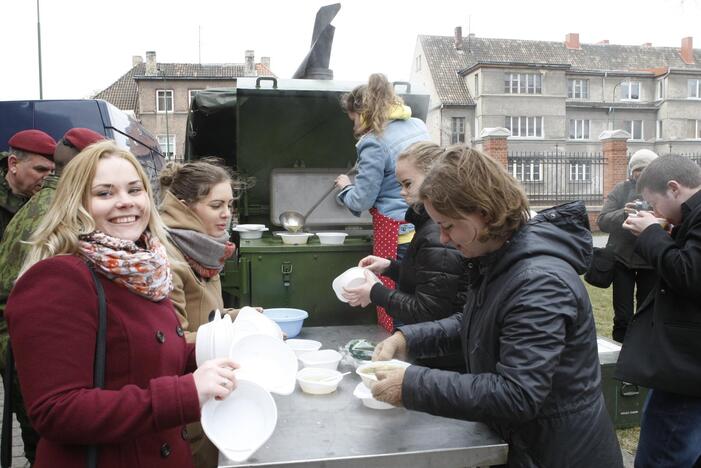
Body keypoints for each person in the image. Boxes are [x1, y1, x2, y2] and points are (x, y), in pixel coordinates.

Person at [369, 145, 622, 467]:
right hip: (527, 444)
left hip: (557, 454)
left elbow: (517, 393)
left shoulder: (539, 282)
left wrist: (413, 385)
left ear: (483, 213)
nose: (444, 239)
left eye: (448, 225)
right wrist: (410, 338)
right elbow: (477, 320)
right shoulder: (498, 259)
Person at [5, 141, 238, 467]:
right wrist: (186, 392)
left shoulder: (143, 267)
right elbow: (57, 410)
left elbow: (150, 354)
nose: (125, 202)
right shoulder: (57, 278)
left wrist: (225, 348)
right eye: (104, 193)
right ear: (77, 203)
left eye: (134, 189)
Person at [0, 127, 104, 465]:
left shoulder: (44, 204)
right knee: (48, 446)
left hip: (23, 352)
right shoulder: (58, 214)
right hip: (33, 356)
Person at [341, 142, 468, 369]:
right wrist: (389, 267)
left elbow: (427, 312)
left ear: (435, 178)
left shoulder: (437, 235)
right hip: (434, 350)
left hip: (442, 361)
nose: (401, 191)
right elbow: (429, 279)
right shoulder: (426, 225)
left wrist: (375, 293)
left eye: (407, 184)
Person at [159, 159, 252, 467]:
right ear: (185, 207)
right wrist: (236, 334)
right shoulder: (170, 260)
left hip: (209, 387)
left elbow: (210, 314)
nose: (227, 214)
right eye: (216, 205)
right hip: (188, 397)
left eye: (229, 204)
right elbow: (170, 342)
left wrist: (243, 316)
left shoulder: (202, 248)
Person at [618, 154, 701, 467]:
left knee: (664, 452)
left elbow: (690, 275)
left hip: (688, 367)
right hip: (686, 363)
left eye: (654, 203)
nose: (653, 211)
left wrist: (652, 232)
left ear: (674, 188)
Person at [334, 73, 430, 331]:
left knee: (396, 300)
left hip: (396, 230)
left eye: (353, 119)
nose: (353, 126)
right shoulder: (418, 125)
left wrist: (345, 189)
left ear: (361, 113)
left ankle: (396, 352)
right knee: (419, 297)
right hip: (427, 226)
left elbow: (363, 198)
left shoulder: (373, 142)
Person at [597, 149, 659, 342]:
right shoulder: (621, 190)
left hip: (650, 259)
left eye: (646, 169)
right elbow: (602, 221)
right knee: (623, 315)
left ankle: (642, 349)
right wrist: (623, 213)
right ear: (631, 170)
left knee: (645, 312)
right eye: (637, 169)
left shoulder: (663, 190)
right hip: (622, 259)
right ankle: (619, 351)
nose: (641, 173)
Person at [0, 129, 56, 239]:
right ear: (13, 164)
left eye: (52, 171)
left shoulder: (50, 200)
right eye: (40, 169)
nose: (48, 177)